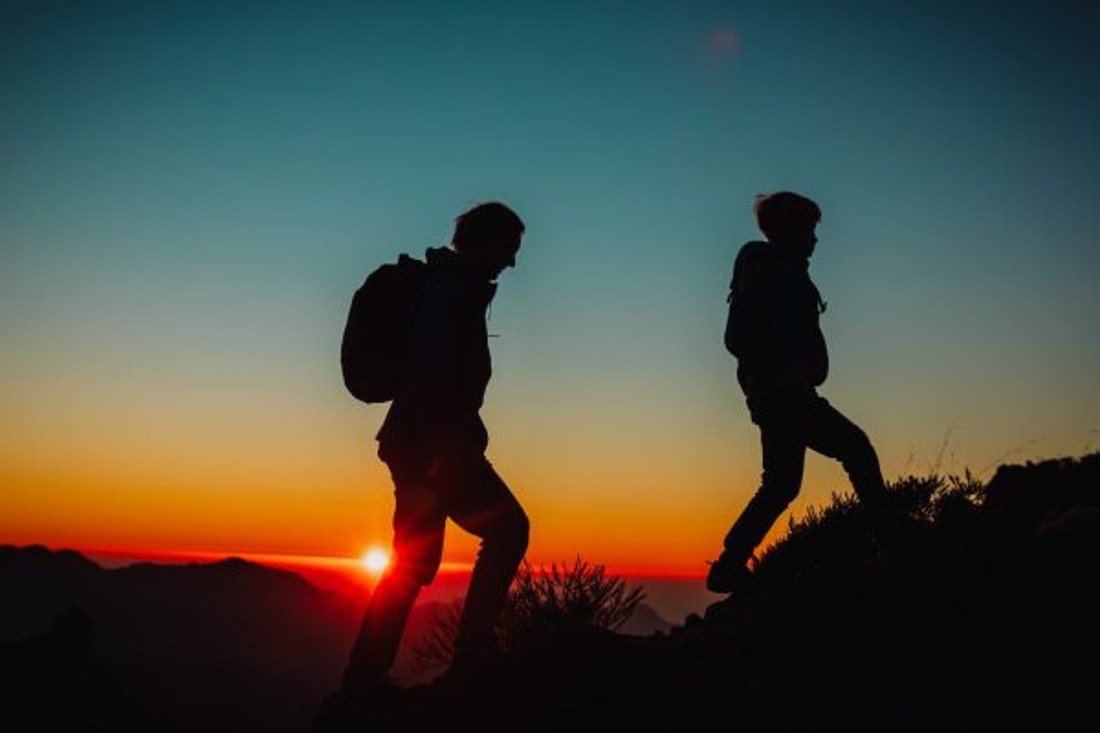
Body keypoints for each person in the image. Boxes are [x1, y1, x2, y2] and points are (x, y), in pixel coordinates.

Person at [340, 201, 530, 701]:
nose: (511, 263)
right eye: (508, 249)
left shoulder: (452, 288)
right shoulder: (450, 292)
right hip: (434, 447)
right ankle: (468, 655)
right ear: (484, 242)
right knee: (507, 530)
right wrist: (447, 450)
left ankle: (363, 679)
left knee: (415, 563)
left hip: (424, 443)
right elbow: (430, 373)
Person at [708, 191, 890, 595]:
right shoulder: (780, 270)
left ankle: (729, 564)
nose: (815, 239)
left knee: (781, 483)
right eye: (809, 229)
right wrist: (783, 375)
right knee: (856, 448)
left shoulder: (774, 269)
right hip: (788, 396)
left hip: (773, 394)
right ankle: (894, 541)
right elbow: (762, 337)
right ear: (788, 228)